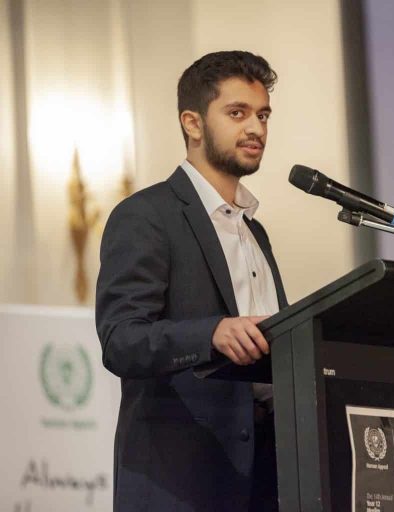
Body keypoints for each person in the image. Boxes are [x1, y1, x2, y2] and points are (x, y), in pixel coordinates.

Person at [95, 50, 287, 511]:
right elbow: (120, 339)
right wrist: (212, 333)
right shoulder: (147, 216)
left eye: (263, 115)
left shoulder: (254, 231)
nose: (256, 129)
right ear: (193, 123)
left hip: (266, 481)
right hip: (181, 485)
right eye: (237, 113)